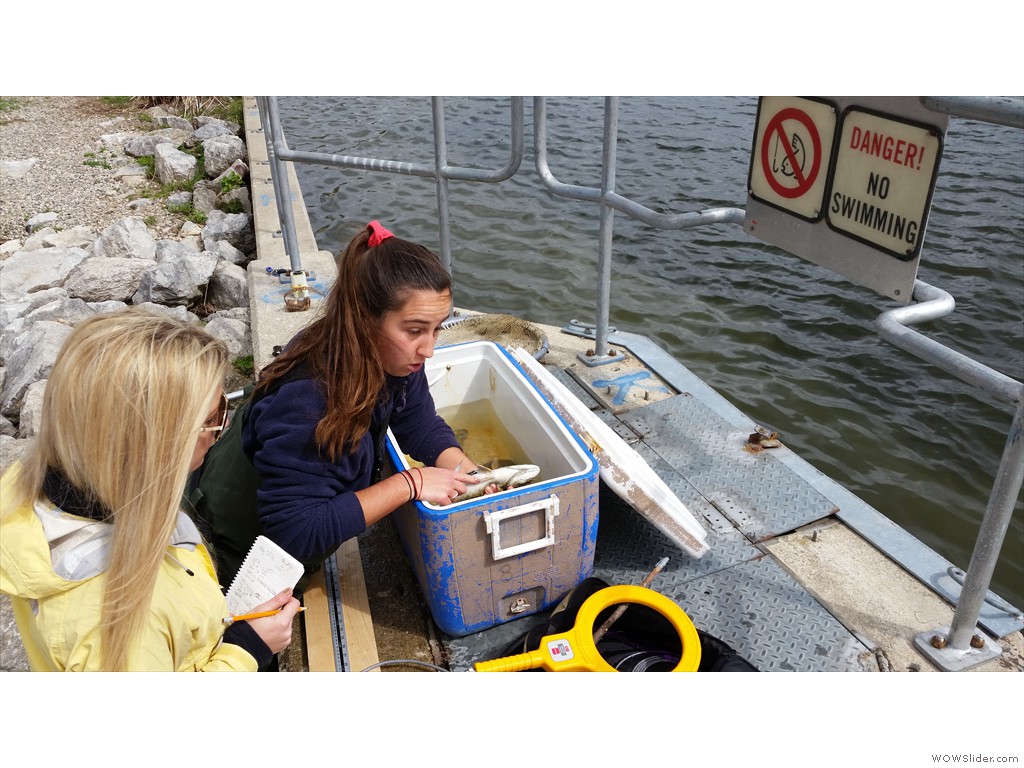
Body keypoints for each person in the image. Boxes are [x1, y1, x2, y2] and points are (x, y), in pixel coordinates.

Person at [0, 308, 300, 671]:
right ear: (151, 448)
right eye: (210, 420)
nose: (219, 431)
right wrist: (246, 650)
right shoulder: (115, 623)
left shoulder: (41, 485)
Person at [196, 220, 490, 588]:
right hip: (242, 551)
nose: (429, 349)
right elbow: (292, 533)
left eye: (437, 328)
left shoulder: (393, 356)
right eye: (414, 330)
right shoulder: (309, 402)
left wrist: (470, 475)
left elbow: (419, 423)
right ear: (365, 319)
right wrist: (410, 483)